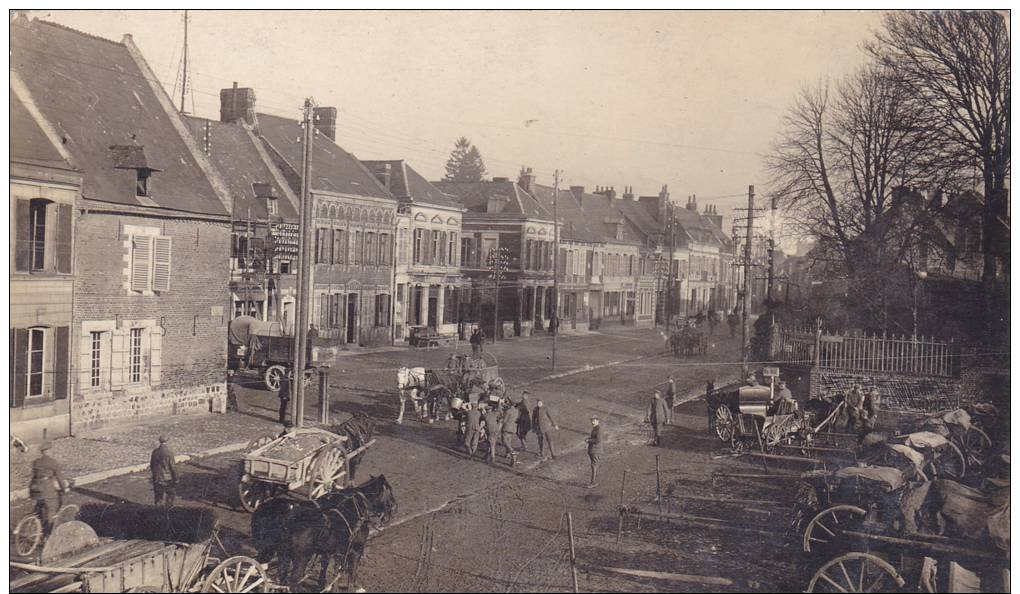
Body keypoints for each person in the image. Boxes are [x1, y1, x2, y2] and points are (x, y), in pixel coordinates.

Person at [29, 442, 67, 535]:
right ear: (49, 451)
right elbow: (60, 478)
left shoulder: (36, 462)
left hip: (34, 489)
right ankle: (48, 534)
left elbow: (35, 475)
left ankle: (39, 527)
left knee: (39, 507)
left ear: (42, 452)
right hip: (46, 489)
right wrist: (64, 488)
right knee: (51, 508)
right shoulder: (53, 462)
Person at [150, 435, 178, 507]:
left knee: (158, 497)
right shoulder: (169, 453)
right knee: (171, 495)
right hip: (167, 479)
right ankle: (167, 510)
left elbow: (152, 465)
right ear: (167, 442)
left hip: (157, 478)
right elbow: (173, 467)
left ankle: (157, 512)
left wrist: (154, 475)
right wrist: (176, 478)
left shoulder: (155, 452)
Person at [586, 416, 602, 488]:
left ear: (598, 421)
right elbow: (594, 438)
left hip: (596, 450)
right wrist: (588, 439)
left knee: (594, 465)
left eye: (594, 420)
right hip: (593, 450)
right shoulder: (595, 428)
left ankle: (593, 482)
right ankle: (593, 481)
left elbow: (598, 440)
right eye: (592, 421)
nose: (592, 422)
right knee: (593, 465)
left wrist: (589, 440)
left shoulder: (599, 429)